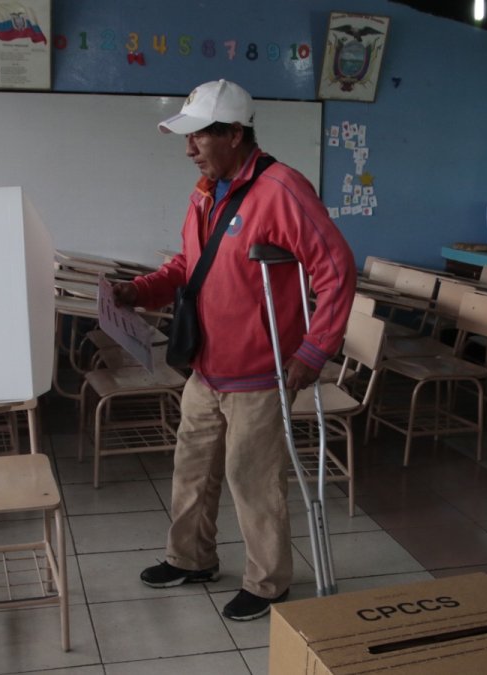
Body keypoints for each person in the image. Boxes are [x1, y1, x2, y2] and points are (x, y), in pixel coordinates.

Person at [112, 79, 357, 620]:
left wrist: (315, 351)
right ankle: (190, 558)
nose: (188, 149)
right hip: (205, 368)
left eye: (198, 137)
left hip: (259, 373)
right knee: (192, 471)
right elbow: (187, 267)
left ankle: (268, 583)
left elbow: (336, 268)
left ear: (234, 134)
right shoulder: (204, 193)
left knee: (253, 481)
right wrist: (140, 290)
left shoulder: (283, 189)